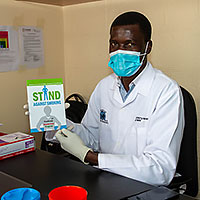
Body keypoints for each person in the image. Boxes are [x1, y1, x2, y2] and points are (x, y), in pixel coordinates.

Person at [55, 11, 185, 186]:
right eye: (114, 44)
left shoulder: (166, 91)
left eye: (129, 44)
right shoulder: (104, 86)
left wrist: (89, 157)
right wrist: (57, 122)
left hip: (144, 187)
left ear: (147, 47)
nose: (119, 52)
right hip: (105, 179)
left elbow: (159, 168)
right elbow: (92, 137)